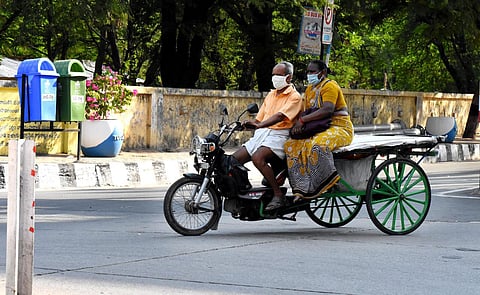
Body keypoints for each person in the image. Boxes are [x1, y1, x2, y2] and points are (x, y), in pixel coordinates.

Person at [232, 61, 302, 211]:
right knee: (233, 161)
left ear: (288, 78)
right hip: (263, 133)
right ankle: (242, 192)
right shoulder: (271, 95)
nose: (275, 78)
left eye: (279, 75)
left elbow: (280, 116)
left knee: (258, 158)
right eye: (274, 75)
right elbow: (259, 119)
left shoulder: (295, 97)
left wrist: (260, 125)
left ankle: (278, 195)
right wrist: (247, 125)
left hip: (280, 135)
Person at [285, 60, 354, 199]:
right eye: (308, 72)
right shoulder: (310, 89)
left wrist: (303, 121)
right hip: (318, 128)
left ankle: (323, 182)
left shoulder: (330, 86)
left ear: (322, 73)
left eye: (312, 72)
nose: (309, 74)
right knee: (291, 145)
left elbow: (327, 109)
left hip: (339, 128)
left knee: (317, 145)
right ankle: (302, 187)